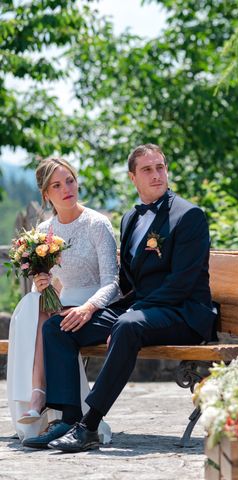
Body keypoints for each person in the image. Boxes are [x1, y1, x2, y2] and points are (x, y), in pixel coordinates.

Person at [22, 143, 218, 451]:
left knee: (127, 326)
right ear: (132, 178)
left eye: (160, 167)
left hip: (183, 313)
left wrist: (125, 315)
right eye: (147, 170)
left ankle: (89, 426)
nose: (156, 175)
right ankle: (68, 418)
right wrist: (88, 311)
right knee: (57, 326)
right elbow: (126, 279)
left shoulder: (188, 216)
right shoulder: (130, 219)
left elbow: (183, 282)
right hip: (140, 311)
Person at [7, 157, 118, 444]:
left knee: (50, 320)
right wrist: (41, 282)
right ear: (46, 194)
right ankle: (37, 395)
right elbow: (49, 283)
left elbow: (111, 283)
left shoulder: (97, 224)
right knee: (33, 303)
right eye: (56, 185)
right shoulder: (44, 232)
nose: (66, 188)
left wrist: (88, 307)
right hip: (63, 304)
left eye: (69, 180)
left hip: (97, 305)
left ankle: (51, 406)